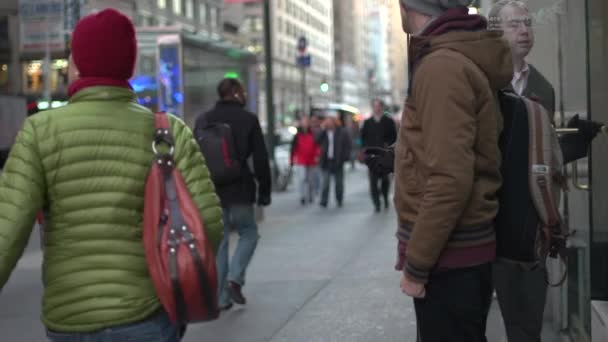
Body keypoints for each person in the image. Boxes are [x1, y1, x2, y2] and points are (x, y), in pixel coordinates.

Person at [0, 9, 223, 342]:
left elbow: (8, 228)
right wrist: (168, 274)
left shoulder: (39, 131)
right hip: (147, 314)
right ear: (129, 65)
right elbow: (208, 224)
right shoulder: (167, 131)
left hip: (70, 316)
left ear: (77, 62)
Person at [394, 1, 512, 341]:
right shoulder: (454, 56)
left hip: (449, 256)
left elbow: (450, 178)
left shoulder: (441, 66)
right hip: (458, 253)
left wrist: (416, 266)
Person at [488, 2, 603, 341]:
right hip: (491, 225)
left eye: (527, 23)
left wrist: (572, 143)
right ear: (496, 33)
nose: (525, 30)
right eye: (514, 25)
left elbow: (541, 160)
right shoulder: (484, 83)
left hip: (533, 227)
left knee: (529, 329)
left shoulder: (543, 86)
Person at [195, 78, 271, 311]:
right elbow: (260, 159)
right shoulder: (248, 119)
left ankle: (221, 298)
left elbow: (194, 157)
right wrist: (264, 192)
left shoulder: (203, 119)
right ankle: (235, 278)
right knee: (249, 233)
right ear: (236, 93)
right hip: (240, 189)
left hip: (212, 190)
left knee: (220, 241)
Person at [361, 99, 397, 212]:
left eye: (378, 106)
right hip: (372, 156)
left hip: (384, 154)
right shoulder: (367, 123)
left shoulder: (388, 121)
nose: (377, 108)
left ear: (381, 107)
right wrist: (364, 151)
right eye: (375, 106)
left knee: (385, 180)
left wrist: (389, 148)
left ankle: (385, 197)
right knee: (373, 181)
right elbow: (363, 138)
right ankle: (376, 203)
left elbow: (394, 137)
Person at [316, 115, 352, 208]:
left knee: (339, 183)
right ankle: (324, 201)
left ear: (334, 122)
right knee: (325, 183)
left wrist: (345, 157)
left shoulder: (342, 132)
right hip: (326, 161)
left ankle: (339, 199)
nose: (329, 124)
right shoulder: (324, 133)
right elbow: (317, 141)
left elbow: (347, 145)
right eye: (327, 122)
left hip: (338, 160)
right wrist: (323, 129)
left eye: (330, 122)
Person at [290, 116, 321, 205]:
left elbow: (317, 146)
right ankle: (302, 196)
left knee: (311, 179)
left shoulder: (313, 134)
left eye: (306, 122)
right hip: (301, 159)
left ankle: (311, 195)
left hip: (311, 160)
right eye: (303, 122)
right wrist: (292, 159)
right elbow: (293, 148)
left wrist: (317, 155)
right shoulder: (297, 135)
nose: (305, 124)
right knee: (302, 178)